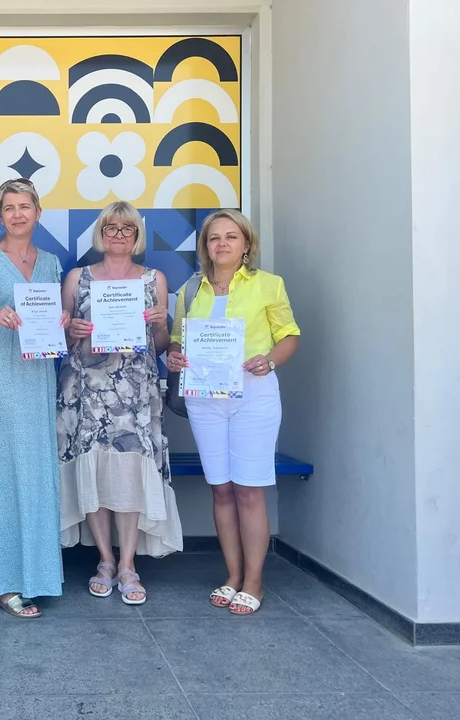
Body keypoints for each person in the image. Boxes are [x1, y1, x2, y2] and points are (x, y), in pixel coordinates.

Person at [166, 209, 300, 615]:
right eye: (214, 238)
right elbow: (177, 341)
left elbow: (289, 336)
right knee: (221, 489)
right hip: (205, 401)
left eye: (231, 236)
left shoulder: (269, 285)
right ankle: (233, 575)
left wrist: (270, 361)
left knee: (248, 490)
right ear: (205, 247)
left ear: (246, 245)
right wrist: (175, 357)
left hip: (254, 397)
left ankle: (254, 581)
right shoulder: (191, 290)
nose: (222, 244)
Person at [57, 201, 183, 606]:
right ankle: (105, 560)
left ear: (137, 236)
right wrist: (72, 331)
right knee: (93, 470)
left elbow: (158, 345)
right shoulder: (77, 278)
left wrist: (160, 325)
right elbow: (58, 340)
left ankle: (128, 563)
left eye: (127, 229)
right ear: (100, 234)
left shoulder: (154, 279)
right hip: (85, 390)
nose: (118, 235)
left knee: (129, 472)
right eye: (111, 228)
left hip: (135, 393)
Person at [0, 178, 69, 618]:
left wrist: (63, 320)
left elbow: (54, 322)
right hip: (0, 373)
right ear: (0, 215)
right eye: (9, 207)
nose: (17, 214)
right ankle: (2, 581)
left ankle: (37, 575)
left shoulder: (51, 263)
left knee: (36, 472)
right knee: (3, 472)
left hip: (38, 375)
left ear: (38, 213)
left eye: (25, 206)